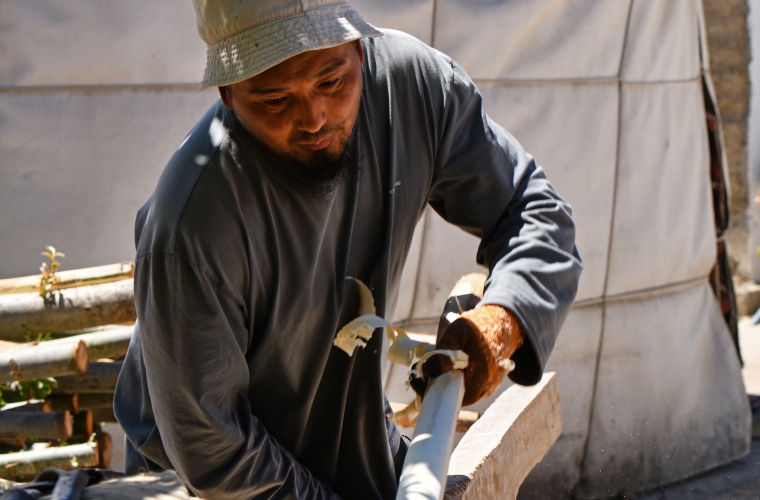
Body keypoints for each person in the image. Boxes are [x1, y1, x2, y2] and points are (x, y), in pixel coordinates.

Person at [113, 0, 582, 498]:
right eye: (274, 101)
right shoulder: (191, 226)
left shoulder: (412, 91)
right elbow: (214, 450)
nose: (313, 118)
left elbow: (534, 211)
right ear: (228, 93)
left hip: (359, 457)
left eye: (331, 82)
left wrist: (501, 323)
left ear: (359, 47)